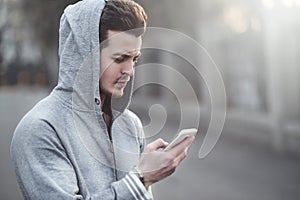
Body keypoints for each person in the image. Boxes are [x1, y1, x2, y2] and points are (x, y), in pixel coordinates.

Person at [10, 0, 195, 199]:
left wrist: (144, 176)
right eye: (119, 59)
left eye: (134, 59)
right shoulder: (40, 129)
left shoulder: (131, 124)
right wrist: (140, 179)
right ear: (84, 57)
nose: (130, 71)